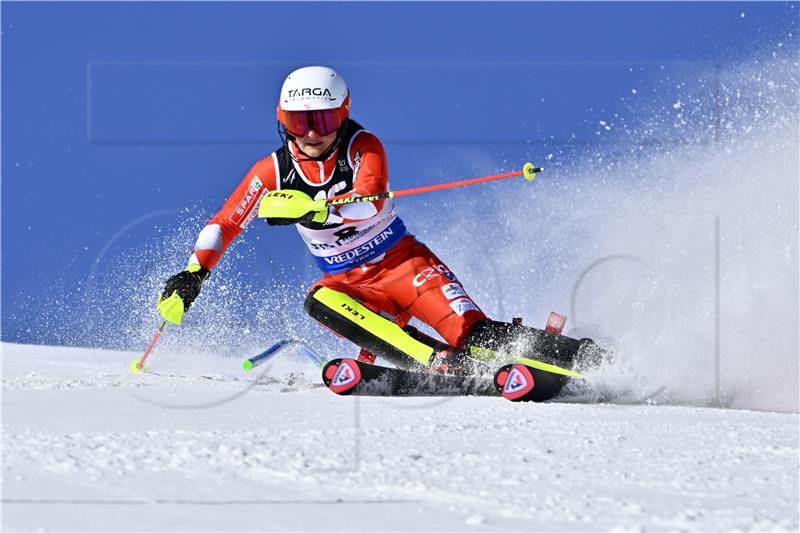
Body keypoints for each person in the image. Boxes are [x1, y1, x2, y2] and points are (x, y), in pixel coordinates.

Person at [157, 66, 581, 374]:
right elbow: (226, 222)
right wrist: (194, 274)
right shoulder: (271, 170)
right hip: (349, 284)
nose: (310, 133)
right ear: (282, 122)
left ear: (341, 115)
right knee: (318, 299)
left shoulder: (363, 146)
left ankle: (579, 356)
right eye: (297, 122)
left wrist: (313, 209)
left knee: (473, 334)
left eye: (321, 119)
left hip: (406, 267)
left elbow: (370, 202)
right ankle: (438, 364)